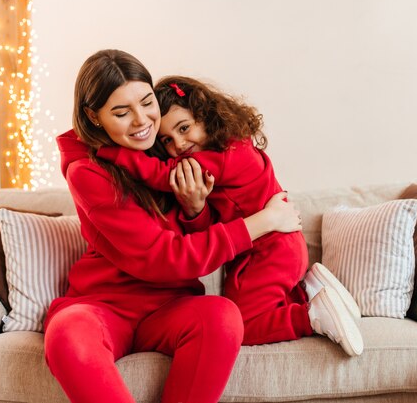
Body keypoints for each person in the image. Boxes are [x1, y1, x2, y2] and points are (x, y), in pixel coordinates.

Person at [44, 49, 306, 403]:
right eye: (121, 113)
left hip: (171, 305)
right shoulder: (88, 171)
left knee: (222, 316)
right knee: (67, 332)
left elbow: (199, 240)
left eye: (147, 102)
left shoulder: (167, 144)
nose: (141, 121)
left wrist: (195, 209)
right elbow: (162, 257)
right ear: (94, 118)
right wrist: (262, 222)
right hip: (105, 304)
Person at [95, 75, 364, 356]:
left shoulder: (227, 155)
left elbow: (162, 174)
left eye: (184, 128)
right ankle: (308, 291)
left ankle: (309, 316)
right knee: (238, 311)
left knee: (240, 326)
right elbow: (210, 227)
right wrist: (194, 209)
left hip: (271, 252)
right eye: (167, 140)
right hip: (259, 252)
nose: (179, 144)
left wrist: (110, 152)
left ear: (204, 115)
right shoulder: (227, 151)